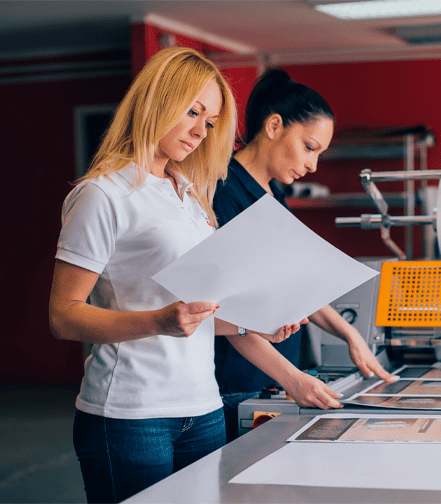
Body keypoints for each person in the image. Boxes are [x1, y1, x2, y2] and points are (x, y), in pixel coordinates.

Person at [48, 48, 305, 504]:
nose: (199, 131)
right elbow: (65, 317)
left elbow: (192, 314)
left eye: (209, 122)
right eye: (193, 111)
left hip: (202, 408)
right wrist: (157, 322)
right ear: (156, 100)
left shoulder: (188, 196)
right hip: (130, 416)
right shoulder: (102, 194)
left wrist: (252, 322)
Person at [213, 67, 395, 442]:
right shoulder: (225, 193)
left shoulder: (275, 195)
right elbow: (224, 311)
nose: (313, 165)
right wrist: (292, 379)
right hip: (237, 384)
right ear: (275, 126)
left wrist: (351, 336)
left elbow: (295, 284)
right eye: (309, 148)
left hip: (276, 381)